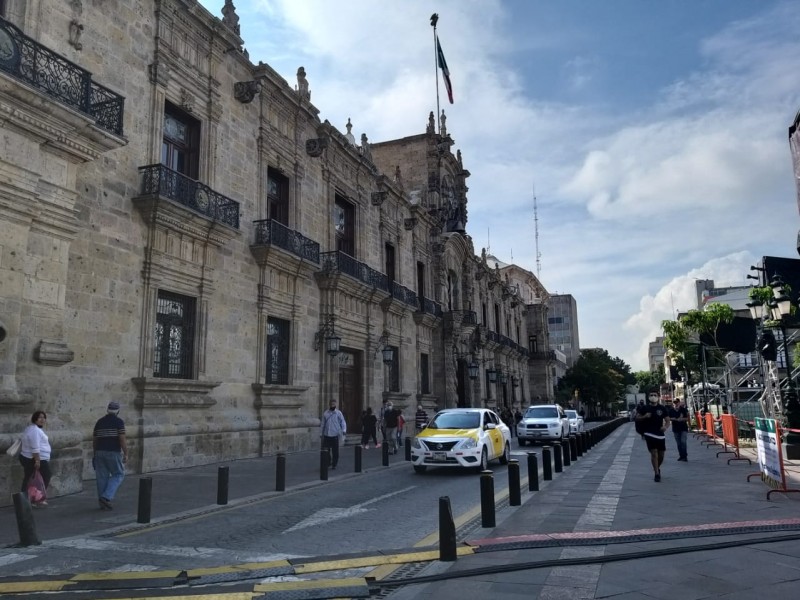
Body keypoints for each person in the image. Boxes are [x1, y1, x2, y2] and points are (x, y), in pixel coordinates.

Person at [93, 401, 127, 510]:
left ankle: (102, 502)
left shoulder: (99, 422)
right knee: (118, 474)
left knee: (102, 477)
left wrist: (95, 453)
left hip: (99, 451)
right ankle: (106, 497)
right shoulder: (119, 422)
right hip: (113, 451)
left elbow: (95, 440)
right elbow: (122, 439)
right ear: (118, 411)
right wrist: (126, 452)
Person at [19, 410, 51, 507]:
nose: (42, 419)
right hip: (35, 459)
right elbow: (35, 447)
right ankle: (34, 499)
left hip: (33, 458)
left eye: (44, 417)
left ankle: (31, 499)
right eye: (40, 417)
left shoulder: (33, 429)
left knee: (29, 478)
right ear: (35, 418)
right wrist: (37, 461)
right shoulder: (34, 430)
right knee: (45, 476)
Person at [636, 394, 671, 482]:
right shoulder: (645, 408)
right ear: (649, 397)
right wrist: (644, 416)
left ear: (658, 397)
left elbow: (667, 420)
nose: (653, 396)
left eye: (655, 395)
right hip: (649, 433)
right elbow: (637, 417)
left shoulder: (662, 408)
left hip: (660, 433)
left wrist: (665, 427)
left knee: (661, 454)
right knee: (654, 453)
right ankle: (656, 473)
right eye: (651, 395)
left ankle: (657, 467)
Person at [320, 399, 346, 469]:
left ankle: (334, 463)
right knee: (326, 450)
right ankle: (328, 462)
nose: (333, 406)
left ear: (336, 405)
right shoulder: (326, 413)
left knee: (335, 451)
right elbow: (323, 424)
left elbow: (343, 422)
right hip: (327, 434)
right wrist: (321, 433)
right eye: (331, 404)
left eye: (334, 404)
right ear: (329, 404)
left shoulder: (338, 413)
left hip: (335, 434)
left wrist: (344, 430)